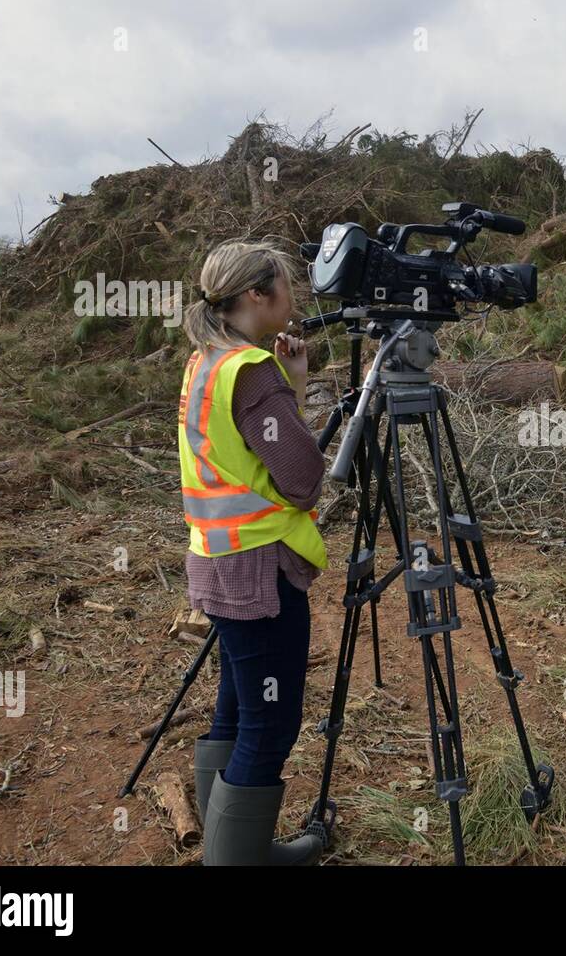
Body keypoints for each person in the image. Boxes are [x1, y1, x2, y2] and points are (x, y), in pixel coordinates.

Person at [177, 239, 329, 864]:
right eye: (286, 286)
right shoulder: (253, 373)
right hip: (258, 572)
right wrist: (292, 387)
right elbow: (302, 477)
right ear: (256, 296)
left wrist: (284, 384)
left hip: (216, 562)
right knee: (268, 726)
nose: (294, 298)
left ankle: (228, 845)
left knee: (239, 705)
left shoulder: (207, 361)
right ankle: (239, 858)